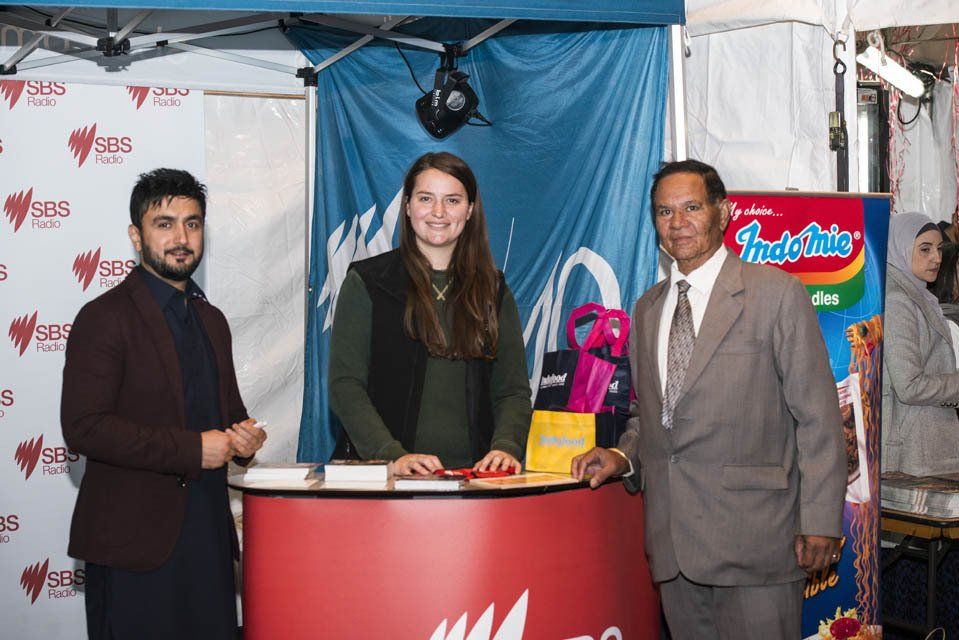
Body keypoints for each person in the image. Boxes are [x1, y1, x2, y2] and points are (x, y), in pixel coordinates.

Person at [571, 159, 845, 639]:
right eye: (664, 211)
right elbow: (651, 416)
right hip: (674, 548)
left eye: (692, 207)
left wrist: (821, 520)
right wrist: (621, 455)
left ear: (724, 212)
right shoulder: (648, 308)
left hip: (756, 543)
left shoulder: (776, 295)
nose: (677, 223)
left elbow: (818, 418)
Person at [61, 169, 267, 639]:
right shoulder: (103, 317)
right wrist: (193, 449)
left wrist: (246, 438)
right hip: (134, 544)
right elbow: (84, 427)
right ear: (136, 236)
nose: (181, 237)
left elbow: (230, 414)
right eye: (165, 223)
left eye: (192, 224)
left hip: (208, 541)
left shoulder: (212, 319)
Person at [329, 151, 531, 475]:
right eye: (426, 198)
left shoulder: (493, 289)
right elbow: (345, 386)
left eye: (452, 200)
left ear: (470, 210)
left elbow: (512, 390)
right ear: (408, 207)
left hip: (474, 480)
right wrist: (391, 456)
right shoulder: (367, 283)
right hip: (386, 479)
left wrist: (505, 448)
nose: (438, 212)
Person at [883, 212, 959, 476]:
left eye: (939, 249)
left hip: (927, 447)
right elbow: (909, 386)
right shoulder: (897, 300)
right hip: (914, 453)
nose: (937, 258)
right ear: (900, 249)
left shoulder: (917, 294)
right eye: (925, 250)